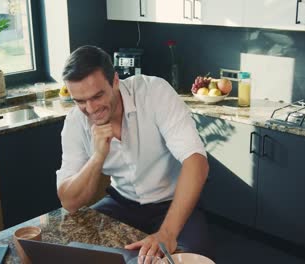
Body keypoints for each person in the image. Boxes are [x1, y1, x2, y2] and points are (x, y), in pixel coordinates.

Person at [56, 45, 211, 259]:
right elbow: (69, 201)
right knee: (73, 251)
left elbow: (197, 162)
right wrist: (97, 157)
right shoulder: (75, 122)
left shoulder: (154, 92)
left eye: (98, 96)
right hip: (121, 204)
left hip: (173, 204)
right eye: (80, 101)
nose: (90, 109)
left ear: (116, 81)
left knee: (178, 260)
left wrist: (166, 233)